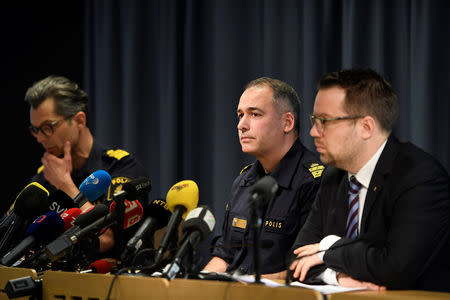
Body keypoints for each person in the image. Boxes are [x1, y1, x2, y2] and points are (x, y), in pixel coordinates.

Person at [288, 68, 450, 292]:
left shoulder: (420, 177)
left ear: (365, 127)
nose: (313, 132)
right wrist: (338, 278)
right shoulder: (333, 177)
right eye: (314, 120)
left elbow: (394, 267)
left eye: (324, 121)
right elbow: (296, 261)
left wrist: (328, 247)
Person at [11, 76, 148, 259]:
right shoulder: (45, 177)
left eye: (47, 127)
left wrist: (67, 186)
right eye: (36, 130)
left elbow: (105, 238)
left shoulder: (120, 167)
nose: (40, 138)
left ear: (79, 121)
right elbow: (10, 233)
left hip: (115, 281)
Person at [203, 77, 323, 279]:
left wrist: (240, 287)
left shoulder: (314, 181)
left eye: (254, 114)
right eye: (240, 115)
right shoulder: (244, 181)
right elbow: (225, 255)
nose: (242, 125)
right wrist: (198, 284)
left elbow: (306, 268)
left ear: (287, 122)